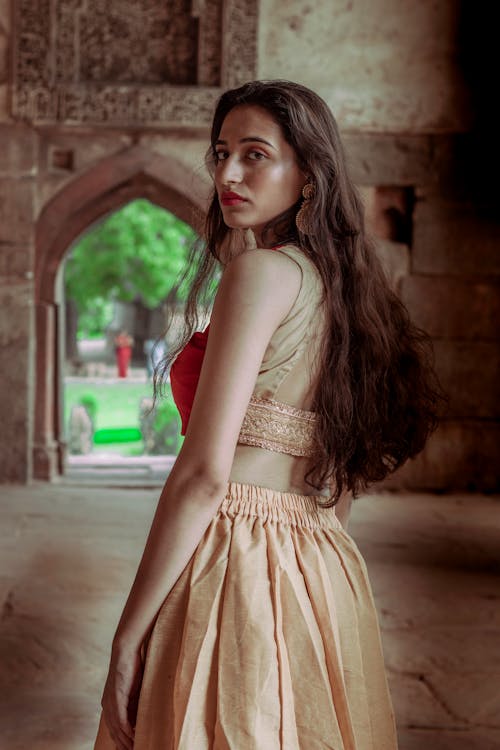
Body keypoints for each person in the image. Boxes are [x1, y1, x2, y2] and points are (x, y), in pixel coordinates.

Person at [94, 80, 443, 750]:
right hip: (322, 563)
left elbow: (203, 477)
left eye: (256, 155)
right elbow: (341, 480)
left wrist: (127, 635)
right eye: (221, 152)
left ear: (308, 173)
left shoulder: (261, 278)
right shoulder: (347, 292)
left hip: (236, 558)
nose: (227, 173)